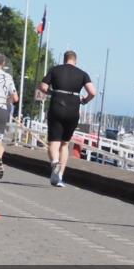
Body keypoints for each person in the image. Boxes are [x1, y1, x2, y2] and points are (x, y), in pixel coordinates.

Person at [38, 50, 96, 186]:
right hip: (73, 109)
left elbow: (42, 86)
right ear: (75, 60)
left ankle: (54, 163)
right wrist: (85, 101)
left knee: (54, 141)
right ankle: (59, 176)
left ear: (64, 59)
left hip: (57, 106)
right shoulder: (82, 74)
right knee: (65, 143)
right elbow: (92, 92)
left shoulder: (55, 70)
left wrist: (52, 92)